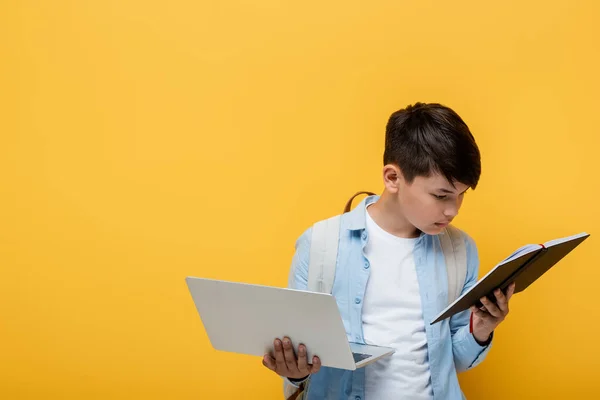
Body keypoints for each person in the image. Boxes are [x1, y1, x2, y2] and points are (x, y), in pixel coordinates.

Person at [262, 102, 515, 399]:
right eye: (441, 195)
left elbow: (453, 361)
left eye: (461, 196)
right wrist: (295, 369)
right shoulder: (320, 245)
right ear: (393, 178)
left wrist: (481, 329)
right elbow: (298, 359)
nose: (452, 210)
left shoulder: (460, 250)